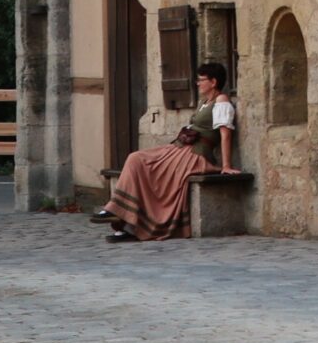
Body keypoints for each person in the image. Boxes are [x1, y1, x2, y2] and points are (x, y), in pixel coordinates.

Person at [93, 63, 239, 242]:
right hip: (180, 149)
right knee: (136, 159)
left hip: (194, 155)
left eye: (201, 80)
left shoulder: (222, 101)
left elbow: (225, 135)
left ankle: (130, 225)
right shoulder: (204, 103)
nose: (197, 83)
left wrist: (225, 165)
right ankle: (121, 215)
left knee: (158, 176)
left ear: (214, 82)